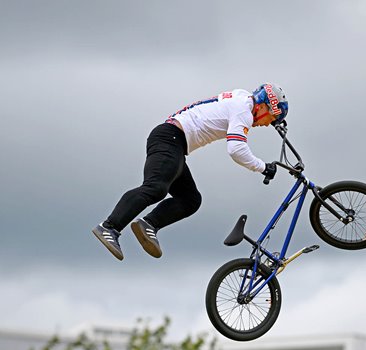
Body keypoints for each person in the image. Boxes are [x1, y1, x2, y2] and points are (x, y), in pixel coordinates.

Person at [92, 83, 288, 260]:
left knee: (190, 200)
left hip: (174, 142)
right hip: (171, 139)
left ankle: (148, 225)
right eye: (271, 118)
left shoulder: (242, 98)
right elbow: (236, 150)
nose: (265, 124)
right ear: (263, 106)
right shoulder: (243, 111)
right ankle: (109, 227)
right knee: (156, 188)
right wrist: (262, 167)